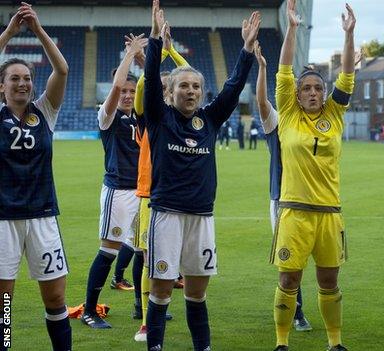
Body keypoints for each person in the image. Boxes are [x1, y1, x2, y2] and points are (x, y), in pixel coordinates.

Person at [143, 2, 259, 350]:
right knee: (162, 289)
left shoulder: (209, 119)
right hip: (166, 216)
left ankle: (202, 346)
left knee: (197, 291)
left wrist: (246, 49)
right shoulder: (160, 118)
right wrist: (154, 39)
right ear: (172, 92)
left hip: (202, 217)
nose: (191, 91)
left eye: (195, 86)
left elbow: (235, 86)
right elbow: (150, 77)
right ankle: (156, 345)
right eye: (184, 87)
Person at [269, 1, 355, 350]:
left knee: (329, 281)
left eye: (318, 88)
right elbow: (284, 70)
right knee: (288, 278)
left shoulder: (334, 114)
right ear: (297, 94)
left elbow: (348, 74)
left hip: (329, 214)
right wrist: (291, 27)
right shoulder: (287, 113)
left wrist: (349, 35)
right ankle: (282, 342)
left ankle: (335, 343)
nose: (313, 93)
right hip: (294, 212)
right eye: (306, 89)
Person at [0, 4, 70, 350]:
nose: (23, 83)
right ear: (2, 86)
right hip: (3, 218)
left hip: (43, 215)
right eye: (14, 78)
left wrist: (39, 30)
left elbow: (62, 69)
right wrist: (10, 33)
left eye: (27, 78)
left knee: (56, 296)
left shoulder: (44, 111)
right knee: (4, 302)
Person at [81, 34, 147, 329]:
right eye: (124, 92)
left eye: (133, 91)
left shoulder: (142, 118)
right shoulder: (107, 117)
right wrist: (130, 55)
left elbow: (157, 86)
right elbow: (117, 85)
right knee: (109, 252)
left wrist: (144, 61)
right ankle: (89, 311)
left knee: (143, 253)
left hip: (144, 192)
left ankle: (141, 307)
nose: (128, 95)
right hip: (118, 192)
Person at [131, 22, 188, 341]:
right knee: (148, 258)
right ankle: (145, 322)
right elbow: (143, 84)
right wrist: (160, 54)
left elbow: (190, 73)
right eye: (164, 87)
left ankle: (164, 302)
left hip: (179, 196)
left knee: (171, 260)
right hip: (149, 195)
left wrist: (171, 52)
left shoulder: (182, 118)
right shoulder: (148, 117)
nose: (167, 91)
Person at [253, 41, 312, 333]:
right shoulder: (277, 122)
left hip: (314, 200)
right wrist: (263, 69)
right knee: (290, 258)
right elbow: (263, 103)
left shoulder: (312, 121)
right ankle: (296, 312)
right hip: (282, 199)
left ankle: (300, 310)